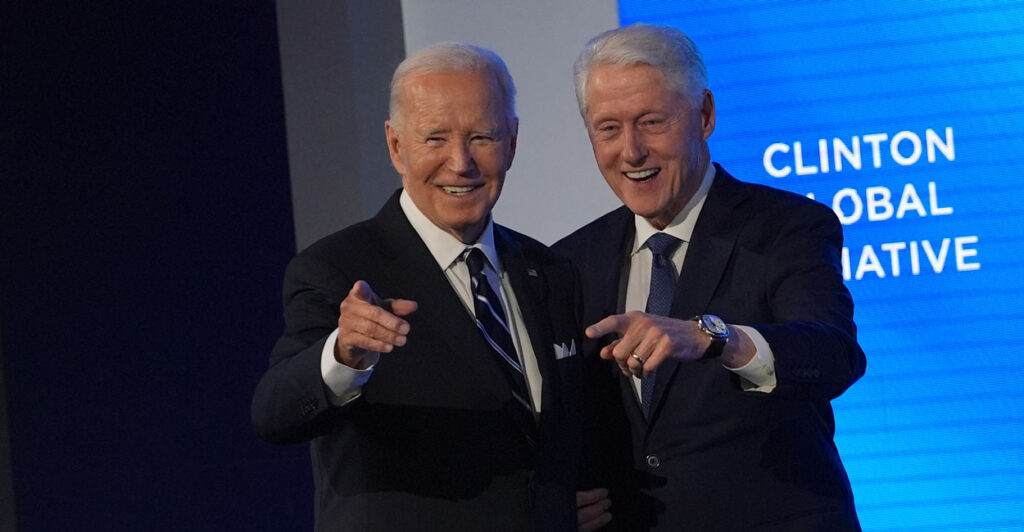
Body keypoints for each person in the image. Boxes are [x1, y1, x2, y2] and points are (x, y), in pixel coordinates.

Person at [252, 43, 610, 531]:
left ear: (513, 142)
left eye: (482, 136)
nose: (460, 163)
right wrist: (343, 356)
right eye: (435, 138)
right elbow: (275, 412)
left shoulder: (548, 271)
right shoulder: (337, 269)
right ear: (396, 146)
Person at [553, 24, 866, 531]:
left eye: (651, 122)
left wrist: (714, 337)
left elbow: (833, 356)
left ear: (704, 115)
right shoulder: (568, 263)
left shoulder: (785, 227)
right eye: (608, 128)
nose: (630, 152)